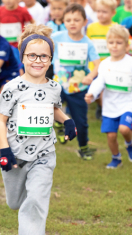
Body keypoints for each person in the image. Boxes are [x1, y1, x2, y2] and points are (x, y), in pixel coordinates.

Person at [0, 24, 77, 235]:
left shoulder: (54, 87)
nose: (38, 61)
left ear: (50, 60)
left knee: (36, 200)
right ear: (22, 57)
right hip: (15, 153)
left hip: (44, 153)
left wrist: (67, 120)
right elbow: (0, 120)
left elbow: (53, 108)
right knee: (15, 202)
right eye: (32, 55)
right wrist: (4, 150)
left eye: (43, 57)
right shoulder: (12, 87)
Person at [85, 24, 132, 168]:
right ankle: (116, 158)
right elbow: (99, 82)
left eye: (119, 43)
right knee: (111, 136)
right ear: (107, 44)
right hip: (109, 107)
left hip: (127, 105)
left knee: (124, 129)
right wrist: (92, 94)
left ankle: (129, 143)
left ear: (126, 45)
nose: (115, 46)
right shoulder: (104, 64)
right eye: (111, 42)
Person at [52, 3, 100, 159]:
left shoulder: (88, 43)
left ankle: (84, 147)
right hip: (58, 85)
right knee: (50, 108)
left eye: (76, 20)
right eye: (68, 20)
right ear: (63, 21)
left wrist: (90, 76)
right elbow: (41, 45)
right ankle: (59, 126)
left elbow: (98, 65)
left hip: (78, 88)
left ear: (85, 22)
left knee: (81, 121)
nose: (72, 23)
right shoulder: (56, 38)